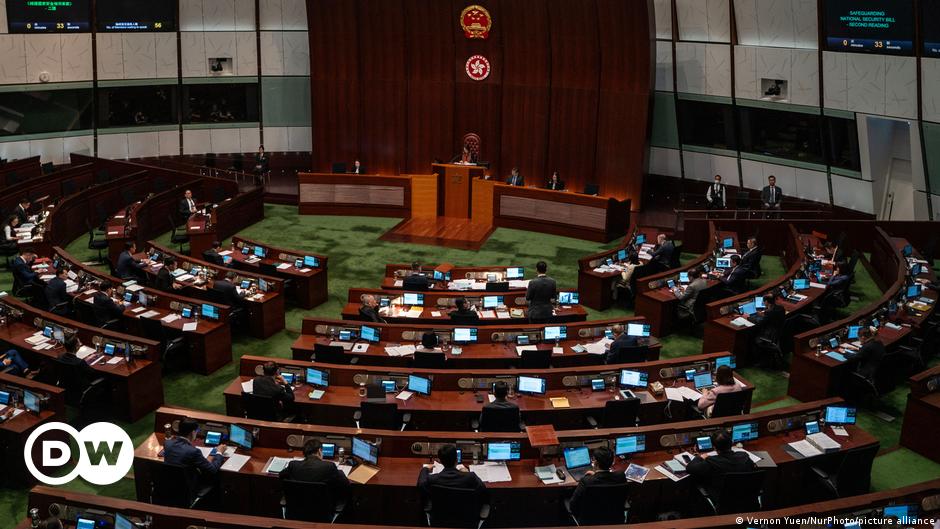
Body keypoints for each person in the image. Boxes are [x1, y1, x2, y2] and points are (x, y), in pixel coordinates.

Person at [686, 429, 756, 499]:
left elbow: (689, 468)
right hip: (747, 500)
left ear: (714, 447)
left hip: (724, 504)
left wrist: (700, 456)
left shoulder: (711, 462)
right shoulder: (744, 456)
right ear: (731, 443)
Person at [163, 417, 226, 488]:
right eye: (197, 431)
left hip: (168, 486)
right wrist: (219, 453)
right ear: (193, 432)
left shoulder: (167, 443)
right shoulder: (193, 451)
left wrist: (210, 456)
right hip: (188, 490)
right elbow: (212, 470)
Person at [279, 439, 349, 498]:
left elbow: (281, 475)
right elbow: (345, 484)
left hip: (296, 508)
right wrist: (340, 472)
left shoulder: (293, 465)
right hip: (322, 510)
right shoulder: (329, 466)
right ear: (319, 451)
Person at [417, 444, 487, 503]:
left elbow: (421, 484)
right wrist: (467, 473)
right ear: (457, 460)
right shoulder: (470, 477)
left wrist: (425, 469)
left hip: (441, 517)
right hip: (466, 517)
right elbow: (483, 489)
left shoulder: (433, 479)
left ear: (440, 461)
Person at [568, 446, 626, 514]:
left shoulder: (586, 481)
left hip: (590, 520)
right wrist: (596, 474)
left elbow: (572, 506)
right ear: (612, 461)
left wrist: (595, 475)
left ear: (595, 463)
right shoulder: (621, 476)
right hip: (615, 517)